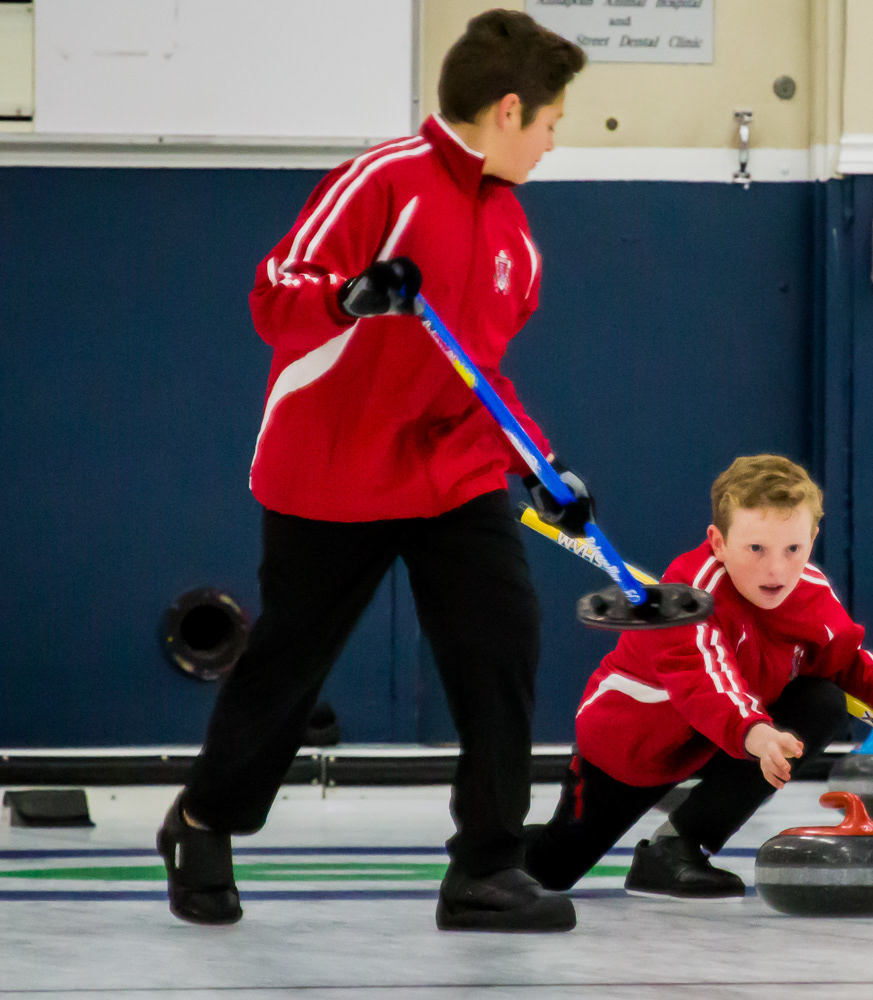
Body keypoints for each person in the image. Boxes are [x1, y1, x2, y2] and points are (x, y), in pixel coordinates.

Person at [157, 10, 590, 933]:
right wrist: (350, 297)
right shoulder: (386, 179)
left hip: (451, 473)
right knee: (290, 666)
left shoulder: (513, 231)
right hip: (334, 469)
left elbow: (482, 373)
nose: (555, 141)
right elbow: (275, 295)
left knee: (502, 638)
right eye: (552, 121)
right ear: (510, 110)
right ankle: (202, 822)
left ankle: (486, 867)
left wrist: (540, 465)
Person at [524, 455, 873, 898]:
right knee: (551, 871)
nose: (776, 570)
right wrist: (755, 731)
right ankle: (499, 845)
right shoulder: (691, 590)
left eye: (792, 549)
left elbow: (850, 663)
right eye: (756, 549)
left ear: (813, 539)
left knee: (822, 700)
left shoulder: (811, 594)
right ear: (718, 543)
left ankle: (677, 848)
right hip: (633, 745)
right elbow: (704, 681)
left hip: (727, 737)